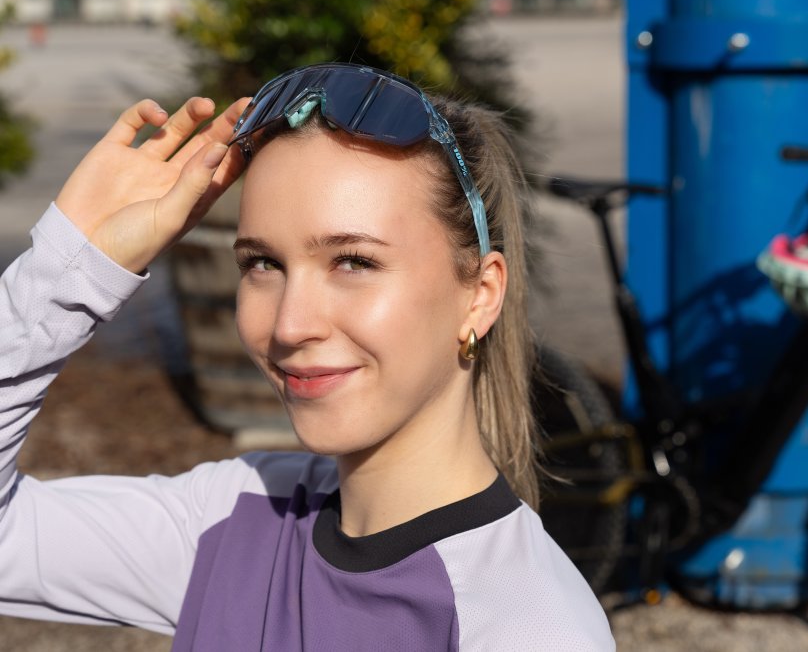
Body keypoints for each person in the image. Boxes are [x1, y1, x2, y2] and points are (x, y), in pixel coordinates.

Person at [0, 64, 615, 650]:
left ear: (480, 296)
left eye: (354, 261)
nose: (290, 325)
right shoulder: (235, 519)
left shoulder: (530, 628)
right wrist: (71, 270)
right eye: (261, 264)